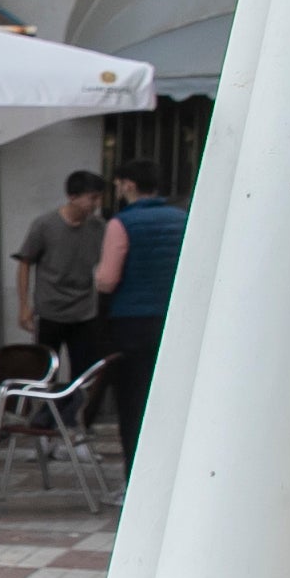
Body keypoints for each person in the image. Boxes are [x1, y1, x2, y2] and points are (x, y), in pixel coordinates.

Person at [96, 159, 186, 476]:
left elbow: (107, 279)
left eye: (118, 184)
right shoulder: (182, 218)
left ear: (129, 184)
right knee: (172, 399)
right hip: (176, 322)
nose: (118, 190)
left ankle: (136, 476)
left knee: (133, 403)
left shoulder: (121, 224)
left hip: (132, 323)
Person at [14, 171, 110, 383]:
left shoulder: (99, 227)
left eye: (98, 198)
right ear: (73, 197)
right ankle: (46, 412)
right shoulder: (45, 225)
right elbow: (25, 262)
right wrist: (24, 305)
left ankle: (74, 413)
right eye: (92, 198)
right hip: (50, 309)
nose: (96, 204)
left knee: (84, 371)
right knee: (45, 370)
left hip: (84, 310)